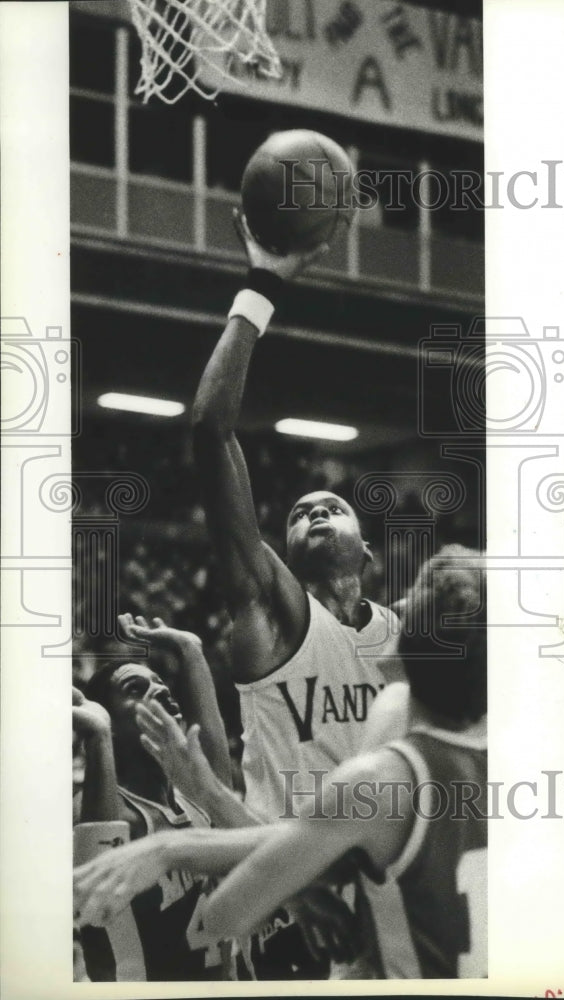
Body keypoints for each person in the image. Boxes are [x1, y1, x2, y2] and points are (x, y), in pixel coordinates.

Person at [74, 582, 488, 979]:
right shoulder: (484, 751)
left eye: (409, 604)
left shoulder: (378, 771)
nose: (394, 606)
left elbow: (227, 911)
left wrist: (171, 849)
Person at [190, 211, 403, 974]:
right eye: (299, 512)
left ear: (367, 551)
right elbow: (212, 429)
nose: (314, 507)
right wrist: (261, 286)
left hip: (390, 898)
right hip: (287, 902)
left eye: (332, 506)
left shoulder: (408, 637)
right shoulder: (276, 616)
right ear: (278, 554)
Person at [72, 614, 236, 982]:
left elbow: (211, 758)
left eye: (161, 684)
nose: (161, 692)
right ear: (110, 723)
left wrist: (189, 649)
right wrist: (97, 738)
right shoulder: (99, 810)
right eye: (135, 689)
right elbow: (102, 917)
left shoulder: (195, 797)